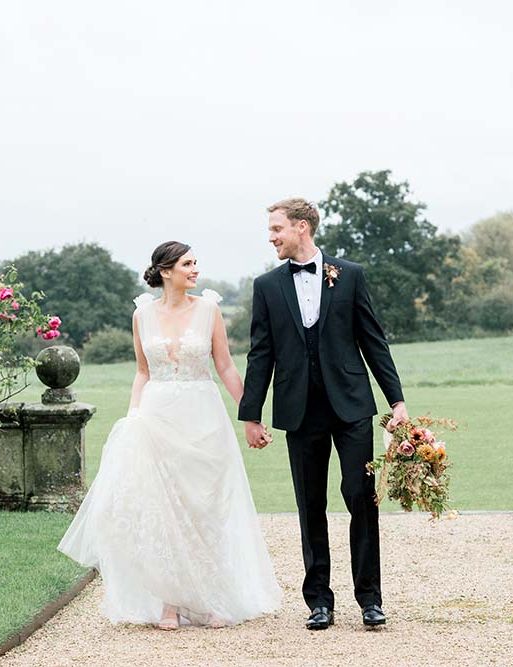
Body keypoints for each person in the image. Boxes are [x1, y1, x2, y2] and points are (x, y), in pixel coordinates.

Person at [58, 241, 281, 630]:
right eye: (187, 263)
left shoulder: (209, 310)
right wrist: (133, 416)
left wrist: (252, 415)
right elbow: (142, 371)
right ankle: (169, 603)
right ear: (165, 271)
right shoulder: (142, 315)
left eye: (196, 263)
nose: (195, 270)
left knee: (205, 507)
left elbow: (226, 367)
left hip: (203, 415)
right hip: (158, 415)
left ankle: (211, 597)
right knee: (163, 508)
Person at [238, 198, 408, 630]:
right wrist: (251, 414)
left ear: (301, 228)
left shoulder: (350, 276)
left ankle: (370, 598)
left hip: (351, 406)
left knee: (360, 497)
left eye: (276, 228)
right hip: (299, 411)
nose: (271, 236)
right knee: (309, 504)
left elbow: (374, 341)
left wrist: (396, 401)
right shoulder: (268, 286)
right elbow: (260, 355)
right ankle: (319, 601)